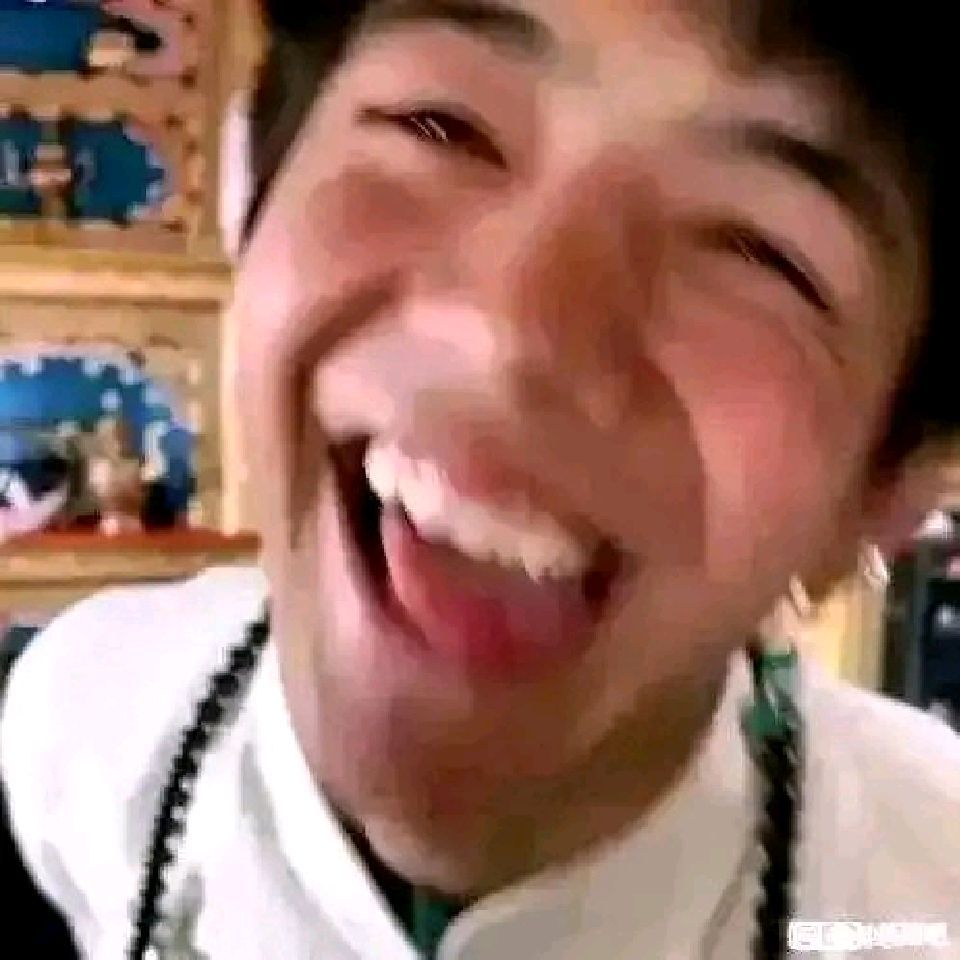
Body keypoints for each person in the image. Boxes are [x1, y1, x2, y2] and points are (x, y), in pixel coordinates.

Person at [2, 1, 959, 957]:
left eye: (758, 250)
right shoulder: (84, 724)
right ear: (249, 189)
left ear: (886, 500)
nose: (516, 334)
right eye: (440, 125)